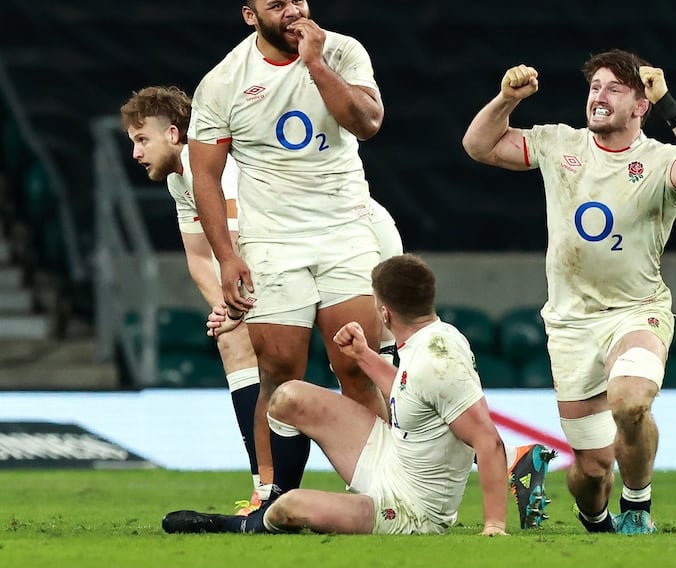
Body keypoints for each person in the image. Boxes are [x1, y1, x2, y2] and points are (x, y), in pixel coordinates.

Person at [462, 50, 676, 534]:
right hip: (570, 324)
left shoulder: (661, 161)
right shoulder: (558, 144)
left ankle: (637, 508)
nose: (599, 97)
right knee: (591, 471)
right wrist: (505, 100)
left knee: (631, 404)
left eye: (614, 89)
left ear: (640, 105)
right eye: (594, 87)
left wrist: (669, 102)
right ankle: (594, 515)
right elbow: (479, 146)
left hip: (636, 311)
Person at [162, 254, 543, 535]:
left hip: (412, 510)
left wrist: (494, 525)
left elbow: (487, 439)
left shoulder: (438, 359)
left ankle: (249, 524)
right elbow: (414, 393)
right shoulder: (428, 341)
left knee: (291, 510)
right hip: (393, 457)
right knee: (289, 397)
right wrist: (364, 356)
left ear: (385, 312)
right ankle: (273, 495)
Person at [187, 0, 390, 507]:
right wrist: (228, 256)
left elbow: (367, 123)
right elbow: (205, 178)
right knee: (277, 370)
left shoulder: (341, 51)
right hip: (273, 242)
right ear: (250, 16)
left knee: (358, 364)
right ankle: (272, 495)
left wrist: (316, 64)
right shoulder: (222, 82)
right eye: (277, 4)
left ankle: (390, 490)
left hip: (345, 229)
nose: (293, 10)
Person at [119, 85, 266, 514]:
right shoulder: (179, 182)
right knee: (232, 340)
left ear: (173, 133)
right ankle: (265, 488)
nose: (136, 153)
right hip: (262, 274)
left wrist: (234, 304)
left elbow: (239, 238)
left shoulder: (213, 163)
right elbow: (200, 258)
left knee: (356, 365)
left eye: (141, 139)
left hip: (311, 252)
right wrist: (226, 307)